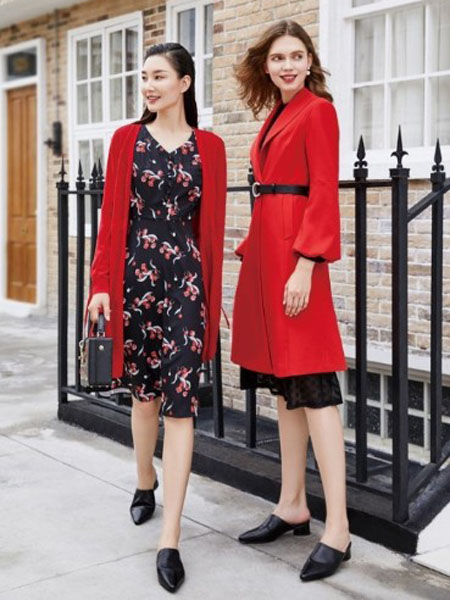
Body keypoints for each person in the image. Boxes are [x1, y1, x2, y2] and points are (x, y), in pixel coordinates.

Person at [85, 42, 226, 593]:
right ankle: (145, 479)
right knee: (145, 398)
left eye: (159, 76)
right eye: (144, 76)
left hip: (186, 284)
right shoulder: (126, 140)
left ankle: (171, 537)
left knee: (181, 404)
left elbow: (211, 228)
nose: (148, 85)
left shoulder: (210, 148)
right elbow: (110, 219)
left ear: (185, 83)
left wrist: (213, 296)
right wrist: (101, 285)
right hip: (134, 279)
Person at [231, 20, 350, 582]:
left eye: (296, 56)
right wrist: (251, 246)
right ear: (267, 65)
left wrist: (306, 264)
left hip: (298, 262)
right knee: (285, 388)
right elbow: (272, 193)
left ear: (309, 61)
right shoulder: (276, 115)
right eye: (278, 57)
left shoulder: (318, 111)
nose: (287, 65)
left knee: (315, 387)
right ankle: (292, 504)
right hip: (268, 258)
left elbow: (322, 190)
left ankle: (339, 529)